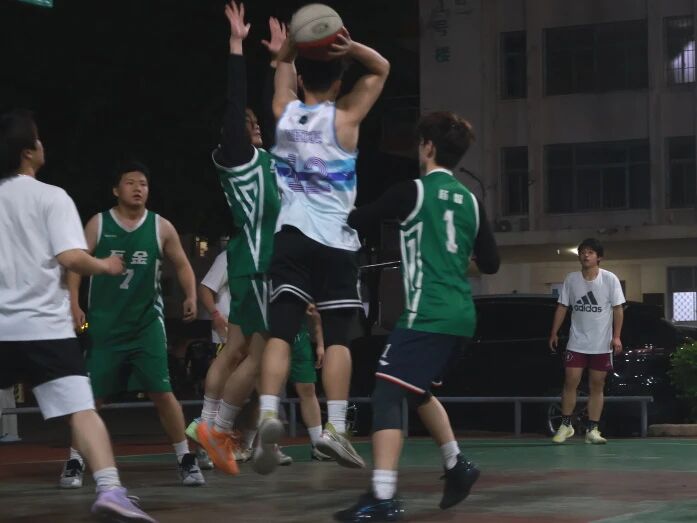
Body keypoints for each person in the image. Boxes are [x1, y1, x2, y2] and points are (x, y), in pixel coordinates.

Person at [334, 111, 500, 521]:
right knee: (416, 389)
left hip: (427, 314)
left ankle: (383, 495)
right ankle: (456, 464)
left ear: (427, 147)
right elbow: (491, 263)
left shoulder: (412, 192)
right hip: (462, 315)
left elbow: (357, 219)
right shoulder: (472, 200)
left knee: (387, 394)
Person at [0, 109, 156, 522]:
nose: (42, 145)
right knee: (83, 410)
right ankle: (110, 490)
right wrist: (104, 265)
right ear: (28, 152)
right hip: (44, 329)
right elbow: (71, 256)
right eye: (38, 140)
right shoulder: (51, 197)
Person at [255, 8, 390, 476]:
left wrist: (288, 50)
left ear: (301, 79)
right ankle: (334, 427)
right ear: (337, 81)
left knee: (280, 332)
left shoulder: (284, 113)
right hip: (336, 242)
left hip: (291, 235)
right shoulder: (347, 117)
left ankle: (267, 414)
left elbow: (281, 72)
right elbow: (381, 69)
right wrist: (349, 46)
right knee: (336, 339)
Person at [60, 160, 205, 488]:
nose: (138, 188)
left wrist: (191, 295)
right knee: (91, 399)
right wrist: (74, 303)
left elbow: (183, 264)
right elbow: (75, 265)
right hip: (105, 326)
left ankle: (185, 458)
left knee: (162, 392)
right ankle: (74, 461)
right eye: (130, 183)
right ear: (116, 190)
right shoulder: (98, 223)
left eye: (143, 183)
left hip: (146, 325)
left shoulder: (161, 226)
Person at [190, 2, 289, 477]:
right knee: (261, 354)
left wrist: (279, 61)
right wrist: (236, 45)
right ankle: (220, 429)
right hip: (257, 264)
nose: (255, 126)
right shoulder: (236, 157)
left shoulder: (267, 160)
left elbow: (278, 112)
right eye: (248, 124)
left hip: (259, 263)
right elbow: (237, 103)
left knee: (238, 350)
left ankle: (207, 425)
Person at [549, 238, 625, 444]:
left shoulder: (610, 279)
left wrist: (616, 336)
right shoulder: (571, 279)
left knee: (597, 385)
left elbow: (618, 309)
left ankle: (592, 429)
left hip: (601, 343)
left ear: (599, 257)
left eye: (590, 252)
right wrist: (554, 332)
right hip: (577, 342)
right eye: (583, 252)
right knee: (570, 381)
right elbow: (562, 307)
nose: (585, 255)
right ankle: (566, 425)